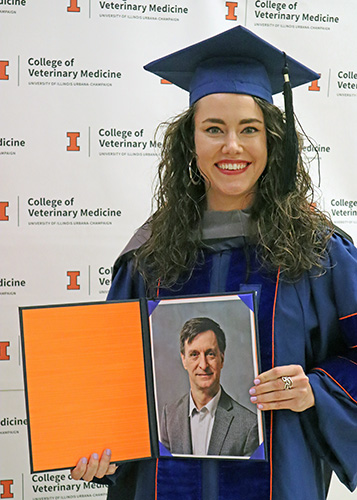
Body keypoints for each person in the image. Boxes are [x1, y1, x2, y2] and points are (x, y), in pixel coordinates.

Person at [71, 25, 357, 500]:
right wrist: (99, 450)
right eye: (213, 129)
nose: (232, 147)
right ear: (190, 142)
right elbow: (110, 384)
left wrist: (316, 388)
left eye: (250, 130)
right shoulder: (148, 256)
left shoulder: (317, 253)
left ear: (273, 142)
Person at [160, 317, 259, 456]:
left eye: (210, 354)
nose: (203, 365)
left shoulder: (249, 426)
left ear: (222, 359)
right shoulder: (169, 416)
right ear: (184, 360)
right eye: (194, 355)